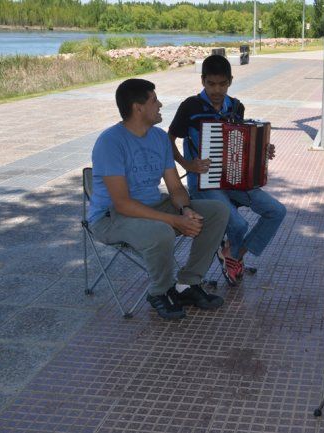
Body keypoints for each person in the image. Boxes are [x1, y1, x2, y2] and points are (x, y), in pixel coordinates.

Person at [88, 78, 230, 321]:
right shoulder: (110, 142)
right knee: (162, 231)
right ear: (138, 107)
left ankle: (187, 284)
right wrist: (172, 221)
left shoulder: (159, 138)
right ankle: (159, 292)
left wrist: (185, 209)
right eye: (154, 100)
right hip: (111, 217)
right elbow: (121, 203)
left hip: (152, 205)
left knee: (217, 211)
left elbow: (175, 186)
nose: (160, 104)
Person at [168, 55, 286, 286]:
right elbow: (168, 140)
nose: (216, 89)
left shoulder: (236, 106)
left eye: (222, 84)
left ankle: (232, 254)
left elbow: (241, 143)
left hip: (233, 181)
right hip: (203, 183)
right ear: (202, 81)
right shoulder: (190, 107)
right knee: (239, 224)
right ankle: (231, 257)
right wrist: (187, 164)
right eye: (211, 83)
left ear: (230, 81)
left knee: (277, 211)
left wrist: (263, 150)